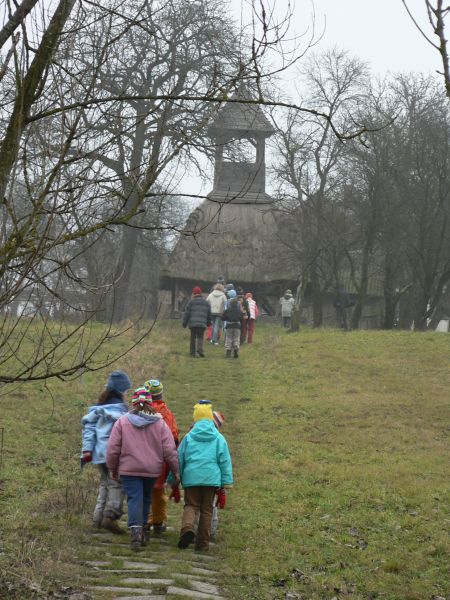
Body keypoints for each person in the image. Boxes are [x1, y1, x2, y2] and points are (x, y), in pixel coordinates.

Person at [106, 387, 180, 551]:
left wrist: (112, 467)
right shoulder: (160, 423)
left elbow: (113, 448)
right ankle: (144, 529)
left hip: (129, 469)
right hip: (152, 469)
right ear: (150, 403)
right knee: (146, 498)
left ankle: (135, 532)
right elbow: (169, 450)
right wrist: (176, 470)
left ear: (133, 403)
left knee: (134, 499)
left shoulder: (123, 422)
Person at [177, 402, 233, 551]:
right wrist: (226, 481)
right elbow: (224, 461)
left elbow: (180, 458)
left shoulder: (188, 437)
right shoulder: (219, 438)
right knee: (207, 510)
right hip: (211, 479)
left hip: (191, 478)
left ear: (195, 417)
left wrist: (177, 477)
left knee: (191, 505)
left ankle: (187, 528)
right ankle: (202, 543)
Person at [81, 370, 131, 534]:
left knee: (105, 483)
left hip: (98, 454)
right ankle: (110, 516)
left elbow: (88, 430)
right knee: (117, 483)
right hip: (114, 454)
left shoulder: (97, 409)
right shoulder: (122, 412)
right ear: (122, 390)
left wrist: (87, 450)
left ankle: (97, 518)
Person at [144, 378, 179, 534]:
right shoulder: (167, 414)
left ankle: (143, 520)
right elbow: (174, 437)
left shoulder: (139, 412)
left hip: (141, 456)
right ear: (161, 394)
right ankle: (158, 521)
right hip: (161, 460)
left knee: (142, 490)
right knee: (158, 491)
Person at [182, 286, 212, 357]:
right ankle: (200, 349)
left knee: (193, 337)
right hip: (202, 324)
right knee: (200, 337)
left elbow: (187, 313)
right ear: (200, 293)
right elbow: (209, 314)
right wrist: (208, 323)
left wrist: (184, 323)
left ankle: (192, 353)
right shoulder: (206, 303)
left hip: (193, 324)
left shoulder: (191, 302)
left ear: (194, 293)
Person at [222, 289, 243, 358]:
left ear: (230, 304)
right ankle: (236, 350)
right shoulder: (239, 311)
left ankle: (228, 351)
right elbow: (241, 318)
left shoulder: (227, 310)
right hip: (237, 325)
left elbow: (223, 318)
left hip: (229, 325)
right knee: (236, 338)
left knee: (229, 338)